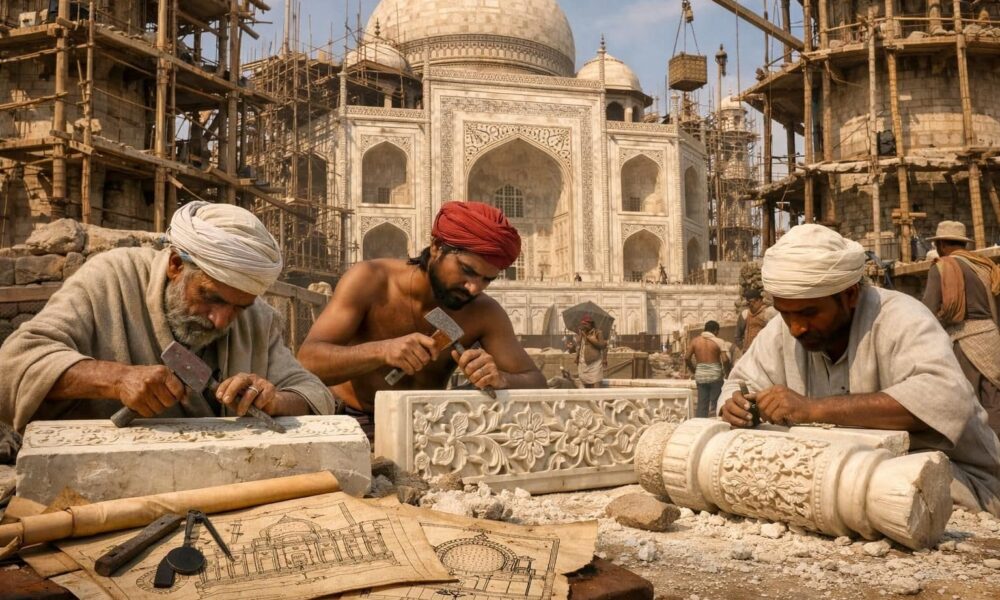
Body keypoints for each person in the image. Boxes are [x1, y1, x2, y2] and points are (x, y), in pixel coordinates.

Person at [719, 224, 1000, 516]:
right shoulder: (782, 329)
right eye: (785, 312)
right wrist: (734, 406)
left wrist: (811, 410)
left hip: (956, 479)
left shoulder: (901, 317)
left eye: (809, 313)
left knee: (868, 489)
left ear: (850, 295)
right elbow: (739, 383)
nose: (796, 327)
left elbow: (944, 400)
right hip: (853, 471)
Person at [0, 202, 336, 431]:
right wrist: (117, 379)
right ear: (176, 265)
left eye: (238, 308)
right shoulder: (112, 277)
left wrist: (274, 399)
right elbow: (14, 365)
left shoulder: (257, 318)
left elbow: (314, 393)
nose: (220, 321)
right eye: (210, 298)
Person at [298, 201, 546, 434]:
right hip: (352, 420)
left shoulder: (482, 312)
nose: (474, 288)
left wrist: (501, 379)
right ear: (437, 247)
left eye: (487, 279)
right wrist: (381, 351)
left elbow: (535, 381)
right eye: (467, 271)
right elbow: (308, 362)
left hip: (429, 427)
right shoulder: (371, 280)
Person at [922, 220, 1000, 436]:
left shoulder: (941, 266)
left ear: (941, 245)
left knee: (967, 400)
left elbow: (927, 311)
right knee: (993, 398)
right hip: (992, 337)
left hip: (965, 339)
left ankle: (981, 456)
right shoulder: (983, 266)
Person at [686, 320, 729, 418]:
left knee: (702, 404)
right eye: (717, 332)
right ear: (715, 331)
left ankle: (700, 426)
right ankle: (713, 427)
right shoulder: (719, 341)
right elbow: (725, 360)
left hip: (700, 376)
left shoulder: (695, 341)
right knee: (715, 404)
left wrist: (694, 370)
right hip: (715, 377)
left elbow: (686, 357)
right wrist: (727, 373)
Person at [733, 288, 779, 354]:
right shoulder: (745, 314)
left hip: (764, 352)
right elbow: (737, 336)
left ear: (759, 300)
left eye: (751, 302)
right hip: (748, 351)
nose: (749, 305)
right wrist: (743, 348)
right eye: (748, 302)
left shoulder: (768, 313)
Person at [575, 315, 607, 388]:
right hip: (583, 363)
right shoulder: (581, 333)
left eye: (585, 324)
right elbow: (579, 346)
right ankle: (587, 399)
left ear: (590, 324)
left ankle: (597, 399)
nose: (584, 326)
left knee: (596, 382)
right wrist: (577, 357)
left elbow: (603, 346)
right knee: (584, 382)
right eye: (583, 324)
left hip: (595, 363)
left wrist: (589, 338)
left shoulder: (598, 332)